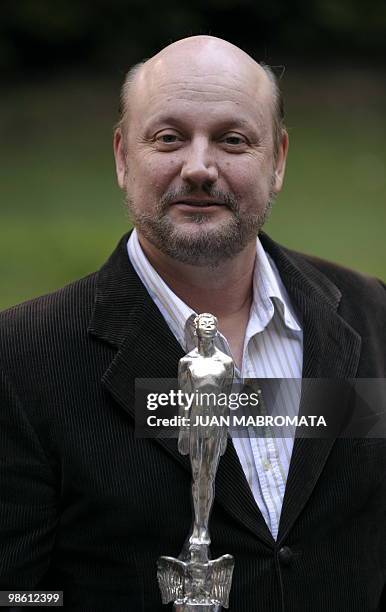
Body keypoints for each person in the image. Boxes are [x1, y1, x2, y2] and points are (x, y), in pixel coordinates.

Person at [0, 35, 385, 612]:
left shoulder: (372, 316)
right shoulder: (23, 356)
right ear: (122, 157)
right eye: (168, 138)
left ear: (277, 159)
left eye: (232, 140)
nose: (200, 167)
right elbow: (18, 593)